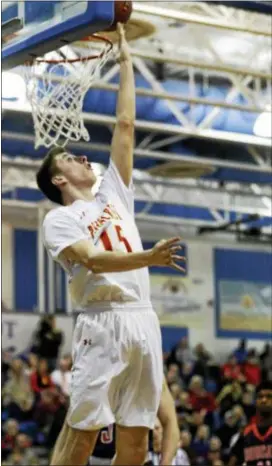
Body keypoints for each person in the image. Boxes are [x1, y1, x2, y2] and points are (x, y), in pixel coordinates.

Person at [36, 24, 185, 466]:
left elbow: (125, 124)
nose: (84, 156)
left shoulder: (113, 193)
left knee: (137, 439)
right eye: (69, 158)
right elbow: (92, 259)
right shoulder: (60, 219)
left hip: (143, 320)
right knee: (83, 434)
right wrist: (149, 257)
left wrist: (124, 62)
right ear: (59, 179)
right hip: (101, 324)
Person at [90, 378, 181, 465]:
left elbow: (170, 421)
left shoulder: (151, 371)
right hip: (97, 456)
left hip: (138, 455)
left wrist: (166, 462)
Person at [228, 381, 272, 466]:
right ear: (255, 401)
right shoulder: (246, 433)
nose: (264, 400)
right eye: (260, 396)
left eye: (269, 397)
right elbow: (232, 462)